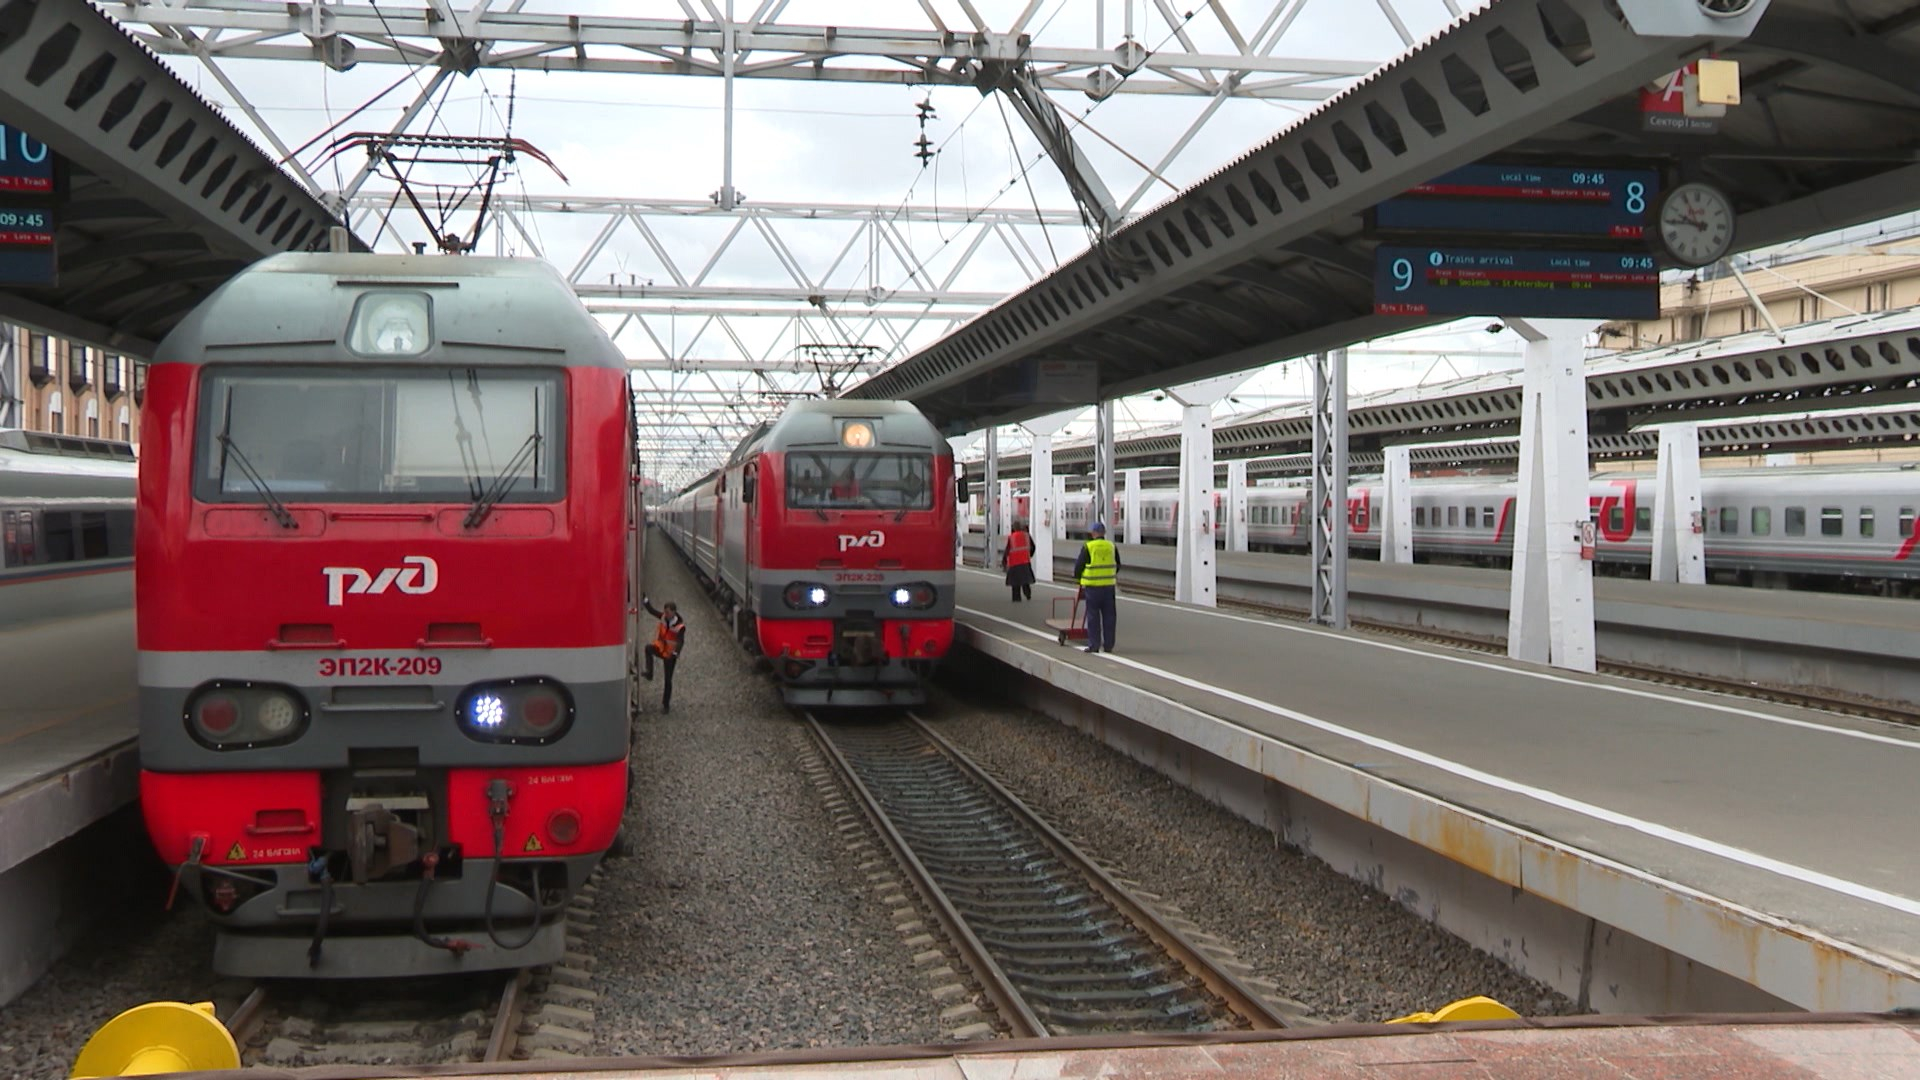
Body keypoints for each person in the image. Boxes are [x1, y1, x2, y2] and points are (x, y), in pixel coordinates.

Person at [1073, 520, 1120, 654]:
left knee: (1093, 616)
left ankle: (1094, 645)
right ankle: (1109, 645)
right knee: (1110, 616)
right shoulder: (1111, 546)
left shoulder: (1088, 546)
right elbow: (1118, 565)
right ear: (1104, 533)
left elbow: (1079, 566)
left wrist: (1078, 578)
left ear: (1093, 533)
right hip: (1108, 588)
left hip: (1093, 588)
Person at [640, 596, 687, 712]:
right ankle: (650, 672)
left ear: (674, 612)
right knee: (648, 648)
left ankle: (666, 705)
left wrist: (676, 653)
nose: (665, 614)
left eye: (668, 612)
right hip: (661, 649)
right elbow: (652, 611)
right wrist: (645, 600)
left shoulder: (680, 627)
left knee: (668, 680)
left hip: (670, 655)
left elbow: (680, 641)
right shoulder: (663, 618)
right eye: (665, 612)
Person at [1001, 518, 1035, 602]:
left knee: (1015, 583)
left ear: (1014, 528)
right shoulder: (1027, 536)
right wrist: (1029, 555)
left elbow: (1007, 551)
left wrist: (1004, 562)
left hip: (1014, 563)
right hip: (1025, 561)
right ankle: (1028, 594)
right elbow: (1033, 547)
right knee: (1025, 580)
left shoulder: (1012, 537)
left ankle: (1016, 598)